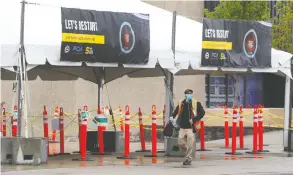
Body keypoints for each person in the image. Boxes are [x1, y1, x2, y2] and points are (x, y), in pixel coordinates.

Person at [169, 89, 205, 165]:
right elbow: (176, 111)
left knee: (190, 143)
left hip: (191, 127)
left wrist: (194, 119)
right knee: (180, 142)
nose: (190, 95)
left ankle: (188, 159)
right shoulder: (181, 103)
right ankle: (189, 151)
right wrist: (172, 117)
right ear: (185, 94)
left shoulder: (196, 103)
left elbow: (202, 113)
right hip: (182, 126)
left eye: (191, 94)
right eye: (188, 94)